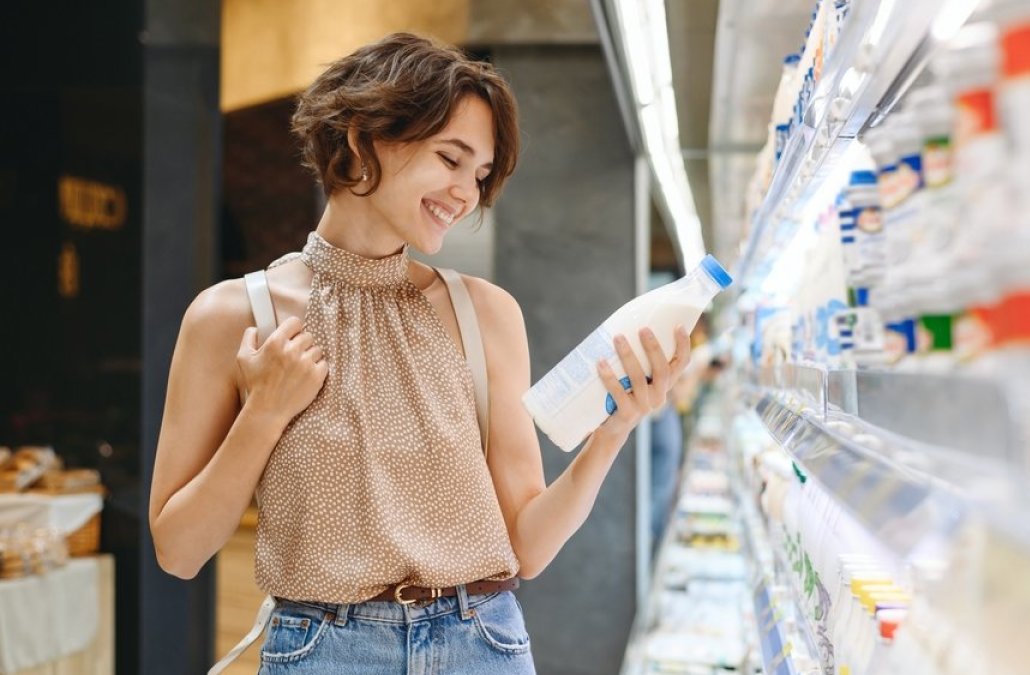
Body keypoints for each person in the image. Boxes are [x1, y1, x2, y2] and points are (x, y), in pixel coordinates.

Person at [147, 33, 693, 673]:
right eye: (449, 158)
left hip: (482, 643)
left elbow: (528, 547)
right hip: (326, 651)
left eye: (481, 174)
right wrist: (262, 415)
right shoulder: (233, 317)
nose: (467, 193)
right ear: (361, 139)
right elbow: (179, 551)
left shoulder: (485, 314)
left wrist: (615, 428)